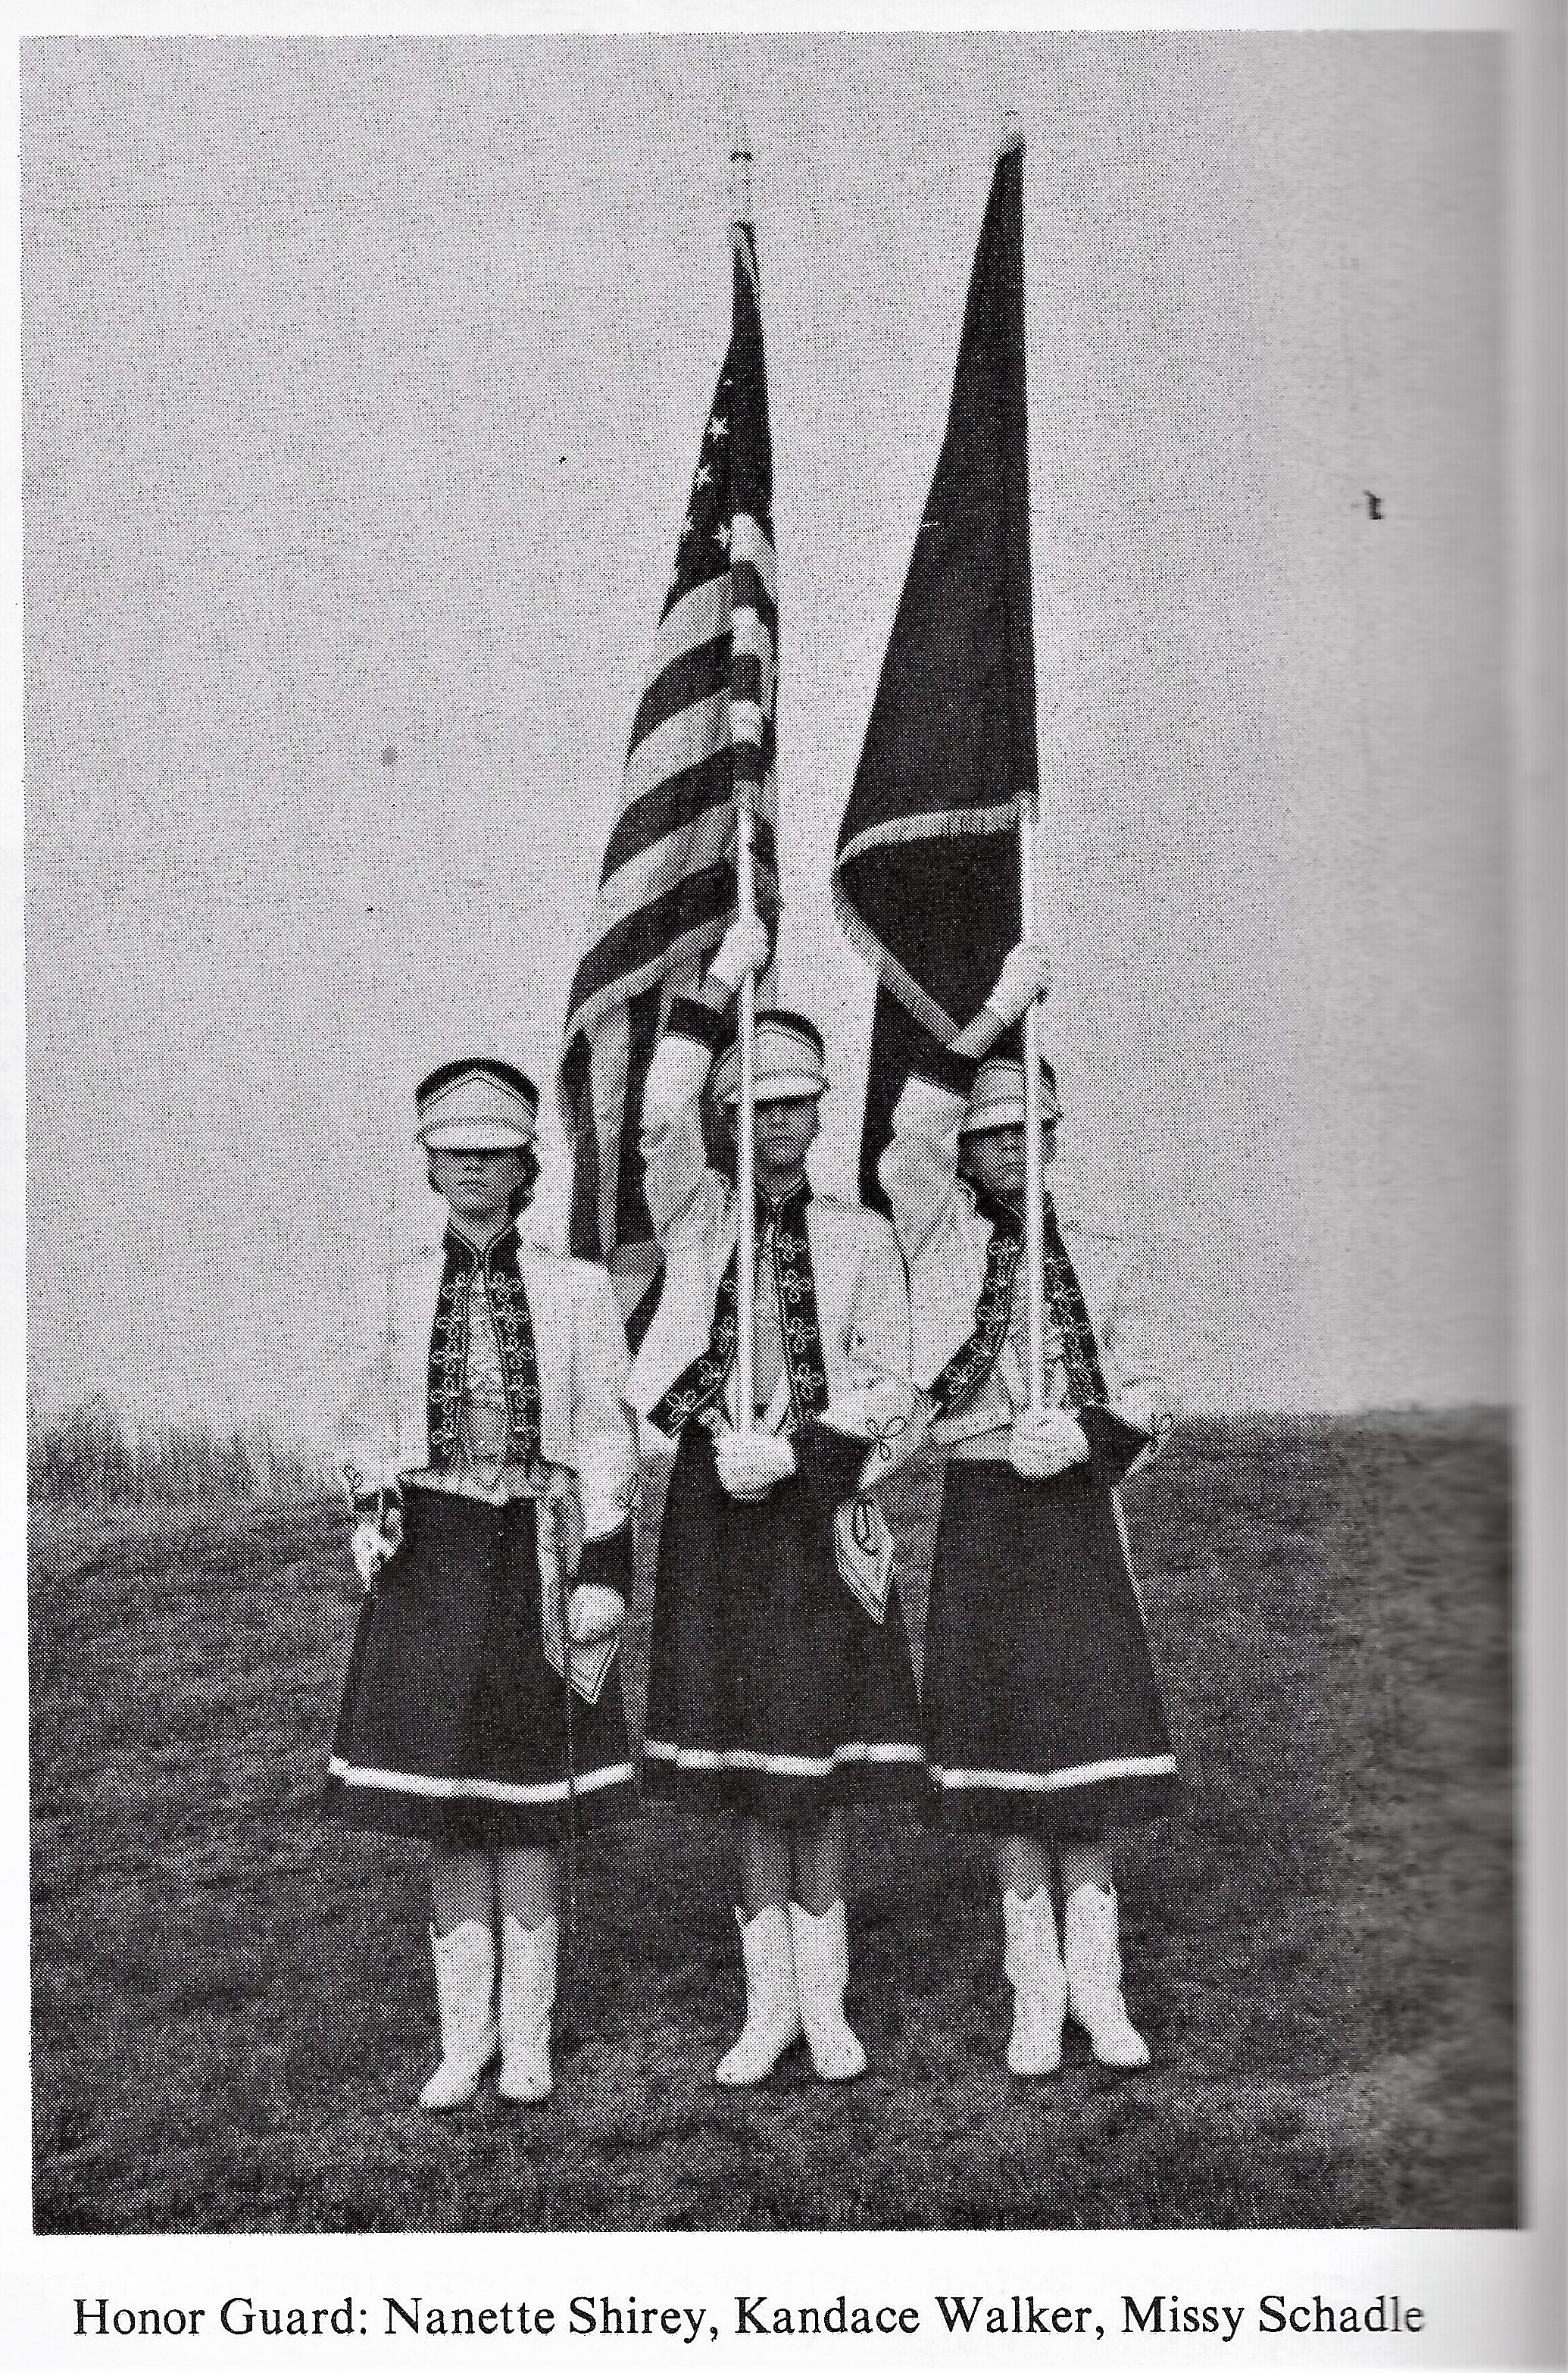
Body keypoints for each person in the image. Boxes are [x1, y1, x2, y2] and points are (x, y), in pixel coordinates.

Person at [628, 914, 925, 2086]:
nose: (779, 1126)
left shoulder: (861, 1238)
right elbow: (657, 1115)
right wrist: (715, 986)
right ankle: (767, 2011)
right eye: (756, 1109)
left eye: (795, 1106)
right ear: (729, 1120)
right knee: (750, 1768)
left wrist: (803, 1456)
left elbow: (894, 1385)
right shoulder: (696, 1215)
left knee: (818, 1762)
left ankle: (828, 2007)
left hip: (817, 1510)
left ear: (818, 1113)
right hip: (716, 1508)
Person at [879, 944, 1178, 2074]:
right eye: (991, 1137)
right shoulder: (934, 1232)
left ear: (1055, 1137)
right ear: (968, 1152)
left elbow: (1150, 1394)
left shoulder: (1107, 1256)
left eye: (1027, 1132)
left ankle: (1101, 1992)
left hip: (1076, 1514)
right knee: (1007, 1766)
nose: (1010, 1150)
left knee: (1086, 1759)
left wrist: (1092, 1436)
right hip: (984, 1508)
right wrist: (991, 1015)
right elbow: (907, 1136)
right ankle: (1033, 1996)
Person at [323, 1058, 639, 2109]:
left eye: (494, 1154)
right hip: (432, 1556)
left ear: (524, 1165)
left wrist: (603, 1565)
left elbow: (605, 1432)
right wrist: (374, 1507)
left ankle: (529, 2040)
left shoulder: (577, 1288)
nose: (473, 1171)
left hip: (537, 1548)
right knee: (452, 1806)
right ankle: (465, 2042)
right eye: (455, 1154)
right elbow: (364, 1422)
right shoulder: (393, 1286)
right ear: (429, 1165)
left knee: (531, 1804)